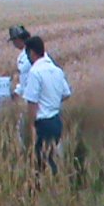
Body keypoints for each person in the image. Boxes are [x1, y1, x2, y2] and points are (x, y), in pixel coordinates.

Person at [23, 36, 71, 176]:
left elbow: (32, 102)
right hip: (56, 121)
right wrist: (53, 101)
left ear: (32, 52)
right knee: (53, 160)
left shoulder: (35, 72)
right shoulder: (56, 70)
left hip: (42, 124)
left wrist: (30, 126)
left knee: (40, 164)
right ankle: (55, 188)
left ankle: (40, 191)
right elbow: (66, 94)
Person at [8, 25, 31, 99]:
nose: (14, 44)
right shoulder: (21, 57)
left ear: (19, 39)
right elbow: (23, 79)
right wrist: (17, 92)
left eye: (14, 41)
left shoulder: (33, 54)